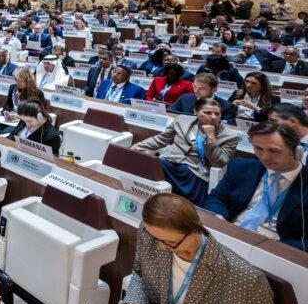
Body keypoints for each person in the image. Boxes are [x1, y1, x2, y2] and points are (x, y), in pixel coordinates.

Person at [87, 193, 282, 304]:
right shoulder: (151, 235)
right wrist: (134, 302)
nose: (161, 247)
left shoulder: (245, 278)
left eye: (171, 243)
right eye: (156, 239)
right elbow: (139, 273)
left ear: (195, 230)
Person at [205, 121, 308, 250]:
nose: (264, 157)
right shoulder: (241, 167)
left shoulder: (305, 182)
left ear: (297, 151)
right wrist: (218, 216)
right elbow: (217, 198)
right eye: (258, 148)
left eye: (273, 151)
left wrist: (280, 245)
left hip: (275, 249)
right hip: (230, 234)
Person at [132, 98, 240, 205]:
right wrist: (135, 148)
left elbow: (219, 162)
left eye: (217, 114)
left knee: (184, 202)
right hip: (169, 162)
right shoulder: (182, 120)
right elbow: (161, 139)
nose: (213, 117)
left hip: (195, 172)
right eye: (207, 113)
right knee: (152, 165)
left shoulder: (230, 136)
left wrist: (211, 138)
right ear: (195, 112)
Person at [170, 72, 237, 122]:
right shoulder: (185, 98)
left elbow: (227, 128)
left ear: (214, 89)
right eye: (195, 86)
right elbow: (170, 113)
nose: (196, 91)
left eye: (202, 88)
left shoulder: (228, 107)